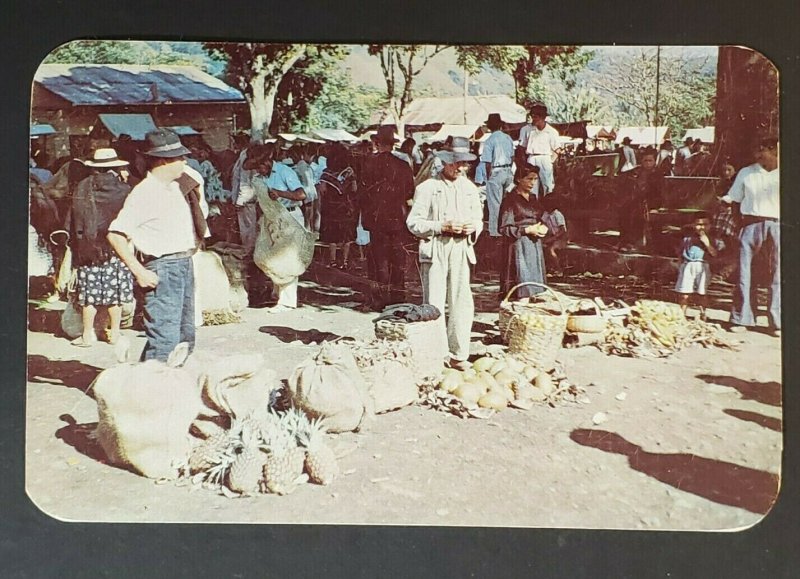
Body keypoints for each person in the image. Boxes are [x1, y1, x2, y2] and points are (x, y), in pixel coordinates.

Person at [107, 129, 209, 362]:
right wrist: (139, 271)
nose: (185, 160)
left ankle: (160, 381)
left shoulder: (175, 186)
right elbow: (115, 234)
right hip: (163, 267)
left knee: (184, 337)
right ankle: (153, 391)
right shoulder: (145, 193)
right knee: (165, 338)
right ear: (163, 160)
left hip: (183, 263)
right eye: (179, 157)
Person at [406, 143, 483, 371]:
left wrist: (472, 227)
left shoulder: (469, 188)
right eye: (457, 163)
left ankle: (459, 354)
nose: (461, 168)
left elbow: (478, 218)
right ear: (446, 162)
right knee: (434, 302)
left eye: (464, 164)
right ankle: (436, 354)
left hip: (461, 248)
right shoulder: (428, 188)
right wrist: (441, 225)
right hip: (437, 246)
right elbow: (413, 223)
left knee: (462, 301)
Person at [66, 148, 134, 347]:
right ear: (115, 167)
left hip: (89, 249)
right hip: (116, 248)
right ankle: (114, 334)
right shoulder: (123, 190)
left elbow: (73, 220)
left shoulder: (82, 187)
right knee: (115, 296)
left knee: (88, 295)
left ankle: (88, 335)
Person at [244, 145, 308, 313]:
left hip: (291, 218)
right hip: (273, 220)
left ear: (268, 161)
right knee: (272, 255)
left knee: (289, 258)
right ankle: (277, 292)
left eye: (260, 166)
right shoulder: (259, 178)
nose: (258, 170)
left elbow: (301, 194)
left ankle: (287, 301)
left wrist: (280, 193)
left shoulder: (284, 172)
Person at [727, 137, 780, 336]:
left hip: (778, 224)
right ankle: (742, 318)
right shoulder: (746, 173)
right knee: (744, 272)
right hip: (750, 223)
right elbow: (734, 200)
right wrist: (740, 225)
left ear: (774, 151)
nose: (758, 155)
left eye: (763, 151)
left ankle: (777, 322)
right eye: (757, 151)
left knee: (778, 274)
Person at [360, 126, 415, 308]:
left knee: (379, 259)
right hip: (397, 217)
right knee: (398, 259)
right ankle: (398, 297)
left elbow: (362, 193)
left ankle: (379, 298)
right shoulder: (403, 165)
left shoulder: (368, 163)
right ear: (392, 144)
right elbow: (410, 192)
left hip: (376, 219)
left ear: (377, 143)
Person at [498, 164, 549, 299]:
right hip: (518, 246)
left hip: (534, 244)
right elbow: (504, 228)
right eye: (529, 179)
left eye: (535, 179)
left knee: (535, 283)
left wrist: (543, 227)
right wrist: (526, 230)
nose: (532, 183)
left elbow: (542, 216)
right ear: (519, 179)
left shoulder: (533, 198)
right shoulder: (510, 200)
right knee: (521, 281)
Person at [318, 143, 358, 269]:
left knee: (332, 235)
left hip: (331, 207)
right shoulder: (349, 172)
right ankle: (345, 261)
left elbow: (322, 190)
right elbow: (355, 188)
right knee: (346, 235)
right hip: (346, 206)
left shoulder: (326, 174)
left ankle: (333, 260)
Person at [674, 214, 717, 320]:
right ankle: (681, 315)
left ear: (710, 225)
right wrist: (680, 262)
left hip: (703, 265)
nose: (701, 227)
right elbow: (680, 251)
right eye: (698, 224)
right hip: (688, 264)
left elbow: (715, 254)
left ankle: (703, 314)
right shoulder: (688, 237)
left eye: (705, 224)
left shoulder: (712, 239)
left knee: (702, 292)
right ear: (693, 225)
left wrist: (707, 243)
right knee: (684, 292)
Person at [481, 113, 515, 238]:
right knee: (507, 203)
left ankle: (493, 230)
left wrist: (488, 176)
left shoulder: (490, 140)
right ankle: (506, 227)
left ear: (489, 126)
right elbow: (512, 157)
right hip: (507, 170)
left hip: (496, 171)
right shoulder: (507, 138)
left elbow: (488, 162)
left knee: (494, 203)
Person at [619, 147, 660, 251]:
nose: (647, 163)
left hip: (651, 203)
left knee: (638, 213)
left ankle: (636, 243)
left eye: (650, 160)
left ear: (654, 161)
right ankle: (626, 241)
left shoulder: (657, 174)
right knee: (625, 211)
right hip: (636, 201)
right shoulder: (636, 172)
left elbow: (659, 193)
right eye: (645, 160)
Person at [711, 160, 741, 281]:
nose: (726, 172)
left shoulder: (737, 183)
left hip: (733, 211)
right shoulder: (721, 183)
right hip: (722, 209)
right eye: (724, 170)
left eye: (729, 170)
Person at [524, 104, 560, 195]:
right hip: (531, 158)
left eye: (535, 117)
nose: (533, 119)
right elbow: (522, 147)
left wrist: (550, 162)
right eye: (532, 117)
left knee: (548, 186)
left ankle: (548, 207)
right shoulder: (527, 130)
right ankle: (533, 207)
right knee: (531, 187)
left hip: (545, 158)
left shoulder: (551, 132)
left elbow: (557, 150)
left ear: (542, 117)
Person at [541, 193, 568, 277]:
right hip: (550, 236)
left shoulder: (557, 214)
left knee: (551, 250)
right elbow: (542, 223)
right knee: (541, 247)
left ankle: (559, 269)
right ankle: (547, 268)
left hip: (560, 238)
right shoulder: (546, 214)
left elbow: (562, 230)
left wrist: (553, 238)